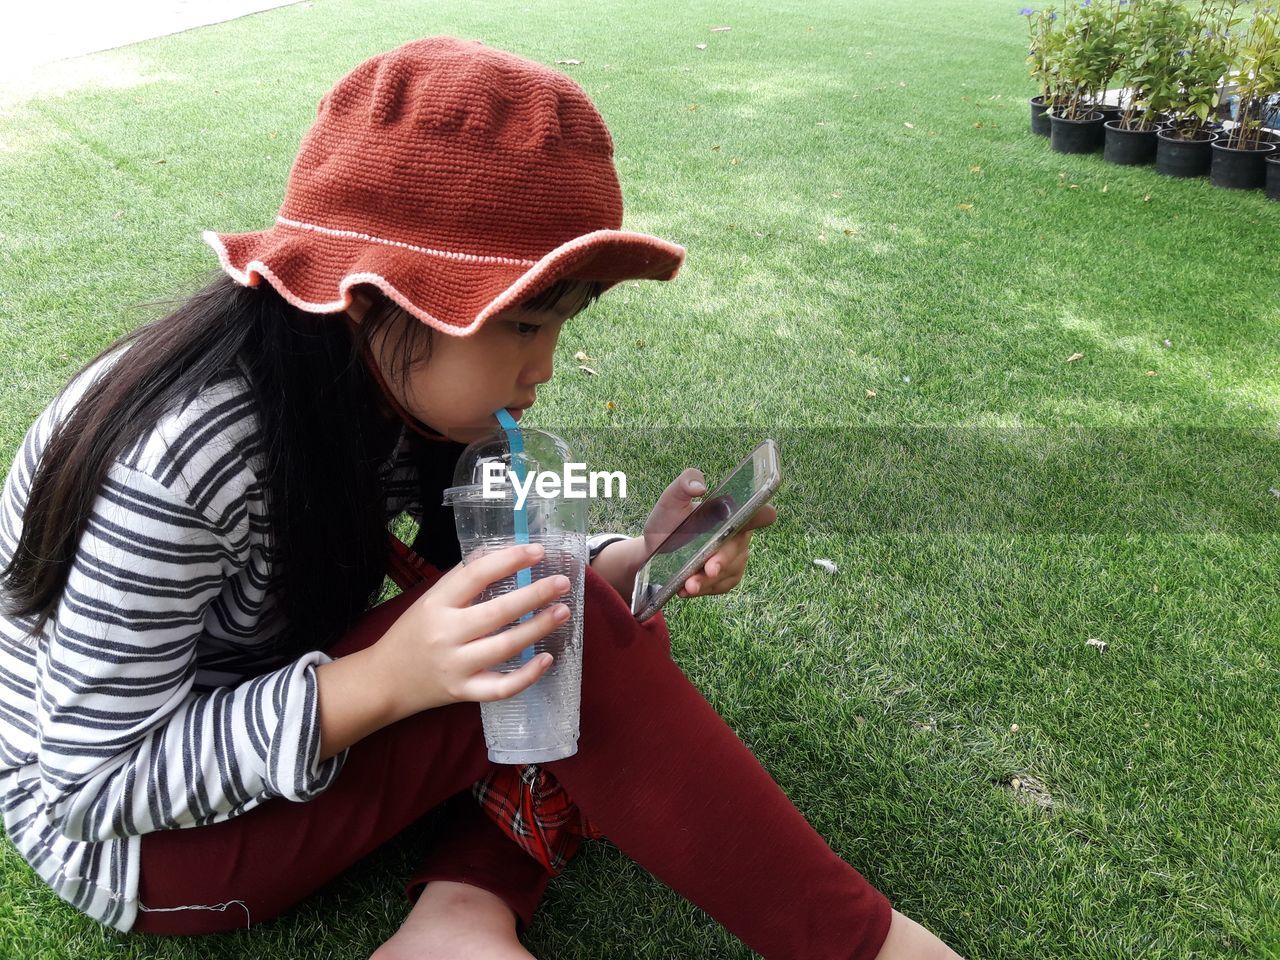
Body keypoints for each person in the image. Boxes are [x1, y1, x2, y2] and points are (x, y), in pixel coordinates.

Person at [0, 37, 962, 959]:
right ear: (376, 299)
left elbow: (488, 586)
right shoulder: (181, 463)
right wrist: (385, 681)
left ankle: (467, 905)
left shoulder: (378, 388)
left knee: (573, 617)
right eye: (522, 326)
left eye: (562, 324)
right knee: (556, 628)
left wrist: (635, 563)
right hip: (145, 852)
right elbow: (91, 783)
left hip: (258, 717)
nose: (544, 368)